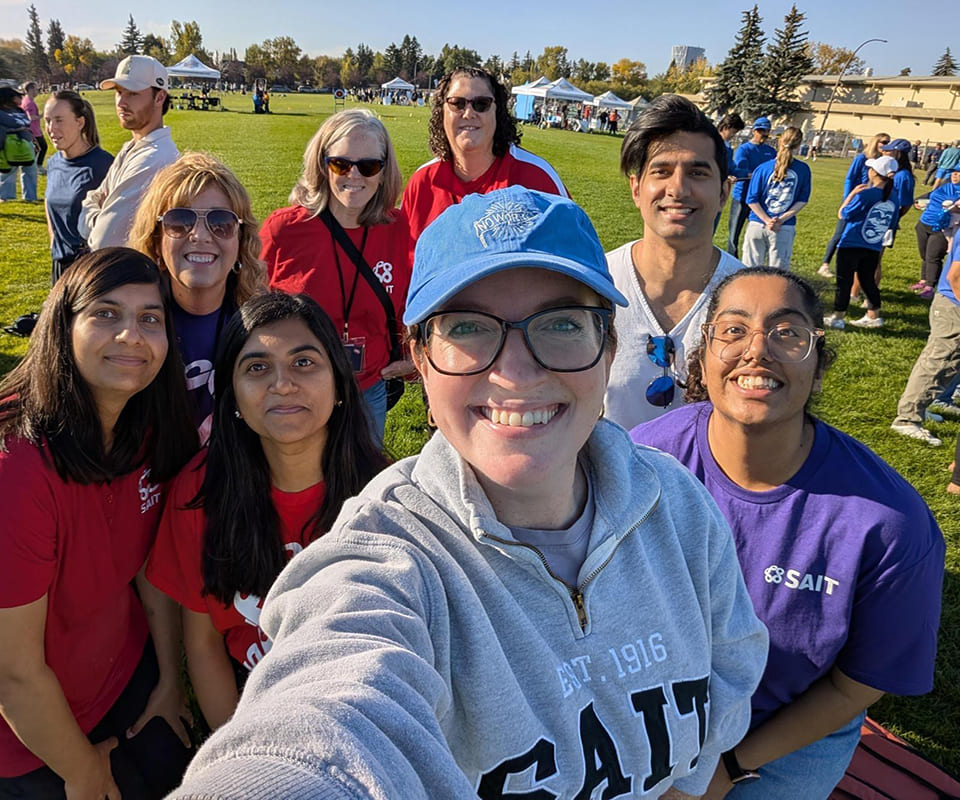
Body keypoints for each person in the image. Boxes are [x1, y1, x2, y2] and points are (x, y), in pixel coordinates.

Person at [169, 186, 767, 800]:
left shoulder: (678, 506)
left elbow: (729, 676)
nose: (515, 370)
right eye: (468, 328)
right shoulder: (389, 558)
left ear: (609, 349)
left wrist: (684, 787)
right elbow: (323, 721)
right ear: (420, 360)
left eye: (561, 322)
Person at [632, 267, 944, 800]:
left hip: (781, 734)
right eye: (732, 330)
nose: (758, 350)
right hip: (645, 714)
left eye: (787, 333)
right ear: (703, 360)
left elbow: (858, 683)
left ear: (818, 368)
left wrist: (728, 765)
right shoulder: (641, 463)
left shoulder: (890, 524)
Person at [0, 248, 199, 799]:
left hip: (123, 678)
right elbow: (13, 674)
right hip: (26, 735)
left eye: (150, 318)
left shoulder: (144, 425)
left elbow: (145, 571)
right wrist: (82, 770)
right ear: (63, 327)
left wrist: (167, 681)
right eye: (106, 314)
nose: (131, 335)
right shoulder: (16, 467)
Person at [146, 292, 387, 731]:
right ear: (232, 396)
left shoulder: (387, 496)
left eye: (304, 362)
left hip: (364, 702)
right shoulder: (200, 490)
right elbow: (202, 644)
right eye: (257, 367)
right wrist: (239, 750)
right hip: (250, 698)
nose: (282, 383)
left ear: (337, 381)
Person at [261, 109, 413, 442]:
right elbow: (246, 308)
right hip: (296, 390)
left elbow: (421, 302)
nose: (354, 176)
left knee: (360, 486)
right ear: (322, 164)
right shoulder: (284, 229)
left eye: (369, 166)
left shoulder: (399, 228)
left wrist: (416, 356)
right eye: (341, 164)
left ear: (384, 171)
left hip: (368, 390)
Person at [604, 94, 745, 432]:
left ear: (724, 192)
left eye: (697, 172)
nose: (678, 188)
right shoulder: (596, 285)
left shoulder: (748, 298)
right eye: (662, 171)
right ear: (637, 189)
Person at [130, 152, 266, 440]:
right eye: (179, 221)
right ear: (156, 239)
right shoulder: (125, 326)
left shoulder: (262, 328)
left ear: (240, 240)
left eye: (221, 222)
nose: (200, 235)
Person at [401, 66, 568, 241]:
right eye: (457, 103)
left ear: (498, 111)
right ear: (442, 111)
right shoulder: (422, 183)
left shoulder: (538, 177)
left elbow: (575, 253)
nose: (468, 113)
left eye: (481, 104)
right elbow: (406, 261)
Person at [80, 55, 178, 250]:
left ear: (159, 97)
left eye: (132, 93)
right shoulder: (132, 147)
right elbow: (92, 198)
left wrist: (95, 212)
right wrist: (97, 210)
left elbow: (104, 240)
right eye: (119, 92)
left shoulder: (154, 159)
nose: (121, 102)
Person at [891, 232, 960, 446]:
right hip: (953, 305)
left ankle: (923, 404)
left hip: (953, 304)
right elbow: (955, 277)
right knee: (938, 362)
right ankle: (907, 419)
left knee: (950, 363)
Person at [43, 90, 113, 282]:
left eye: (59, 120)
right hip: (59, 266)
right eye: (47, 120)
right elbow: (49, 201)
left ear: (80, 122)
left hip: (91, 271)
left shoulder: (103, 166)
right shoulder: (53, 163)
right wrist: (53, 242)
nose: (51, 128)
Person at [823, 155, 899, 330]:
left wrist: (852, 195)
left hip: (851, 243)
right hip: (873, 245)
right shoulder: (894, 198)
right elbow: (892, 223)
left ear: (874, 173)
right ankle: (874, 315)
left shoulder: (867, 194)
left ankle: (838, 317)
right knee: (868, 281)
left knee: (844, 281)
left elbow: (843, 214)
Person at [818, 132, 890, 278]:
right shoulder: (862, 158)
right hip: (857, 198)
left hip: (871, 200)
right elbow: (850, 178)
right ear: (875, 142)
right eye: (883, 141)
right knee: (840, 232)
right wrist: (848, 198)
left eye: (888, 142)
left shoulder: (882, 161)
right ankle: (825, 264)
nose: (885, 145)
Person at [742, 126, 811, 269]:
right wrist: (780, 219)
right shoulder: (803, 169)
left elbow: (751, 199)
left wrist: (767, 220)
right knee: (778, 275)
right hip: (784, 227)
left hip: (757, 224)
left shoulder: (762, 168)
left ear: (779, 142)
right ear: (798, 145)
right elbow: (802, 199)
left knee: (749, 272)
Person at [726, 116, 775, 259]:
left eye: (766, 131)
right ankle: (732, 259)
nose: (763, 134)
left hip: (762, 198)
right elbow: (740, 171)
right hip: (743, 196)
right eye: (760, 131)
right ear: (754, 131)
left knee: (759, 231)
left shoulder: (770, 151)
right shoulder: (744, 149)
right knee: (734, 232)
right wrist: (757, 174)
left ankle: (755, 260)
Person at [910, 164, 960, 297]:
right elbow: (930, 195)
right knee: (924, 254)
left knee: (933, 256)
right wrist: (918, 201)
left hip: (942, 227)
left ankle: (930, 287)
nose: (956, 175)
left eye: (959, 173)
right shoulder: (945, 184)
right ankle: (923, 280)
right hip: (924, 223)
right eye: (954, 172)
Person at [0, 85, 37, 203]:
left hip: (26, 142)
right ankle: (6, 196)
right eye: (18, 97)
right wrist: (18, 128)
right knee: (8, 171)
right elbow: (15, 124)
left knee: (30, 169)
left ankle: (30, 197)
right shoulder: (1, 112)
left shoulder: (19, 110)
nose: (21, 99)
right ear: (9, 98)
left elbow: (26, 122)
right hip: (8, 144)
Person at [20, 81, 46, 172]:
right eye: (36, 89)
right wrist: (42, 115)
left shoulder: (26, 100)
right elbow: (30, 117)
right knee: (41, 147)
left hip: (34, 130)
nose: (38, 91)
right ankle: (37, 167)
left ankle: (33, 166)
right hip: (33, 131)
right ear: (31, 89)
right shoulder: (28, 103)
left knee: (37, 149)